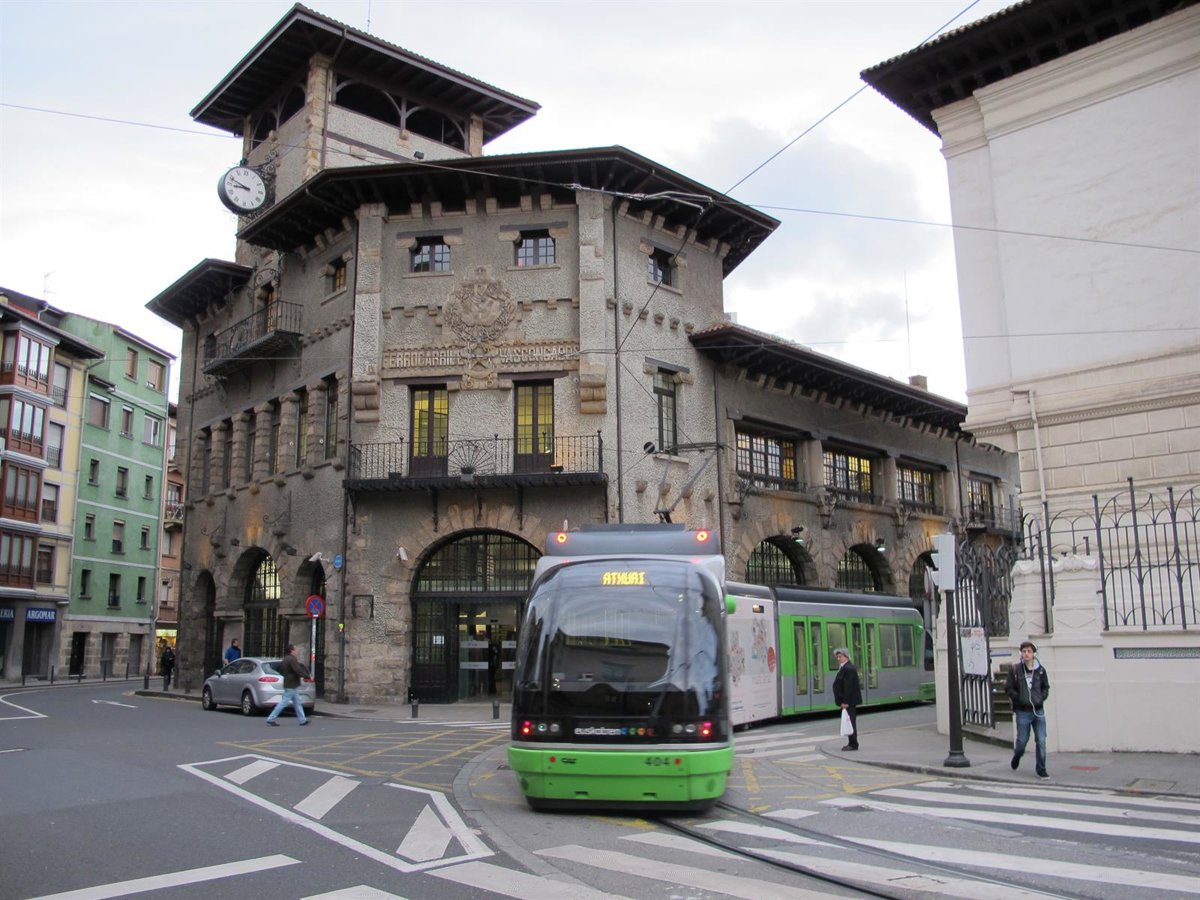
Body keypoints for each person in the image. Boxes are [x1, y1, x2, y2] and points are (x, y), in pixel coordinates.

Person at [1006, 640, 1050, 779]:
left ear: (1034, 654)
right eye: (1024, 651)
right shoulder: (1015, 670)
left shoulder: (1041, 671)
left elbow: (1045, 687)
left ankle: (1041, 769)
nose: (1026, 654)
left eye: (1029, 651)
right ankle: (1017, 755)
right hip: (1023, 711)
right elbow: (1008, 688)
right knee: (1022, 741)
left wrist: (1041, 698)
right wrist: (1017, 698)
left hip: (1038, 710)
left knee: (1041, 741)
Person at [266, 644, 309, 726]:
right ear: (292, 650)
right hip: (291, 684)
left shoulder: (285, 658)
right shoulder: (292, 659)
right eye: (295, 649)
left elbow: (279, 669)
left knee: (297, 702)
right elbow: (297, 669)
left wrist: (286, 675)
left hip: (289, 683)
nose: (297, 651)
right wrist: (306, 676)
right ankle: (271, 718)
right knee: (284, 702)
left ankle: (302, 720)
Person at [833, 647, 861, 751]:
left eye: (840, 656)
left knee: (850, 722)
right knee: (849, 721)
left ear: (846, 656)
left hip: (849, 702)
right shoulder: (845, 667)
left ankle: (853, 744)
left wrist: (845, 701)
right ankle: (851, 742)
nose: (838, 659)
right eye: (837, 657)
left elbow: (848, 687)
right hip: (847, 701)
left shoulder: (848, 668)